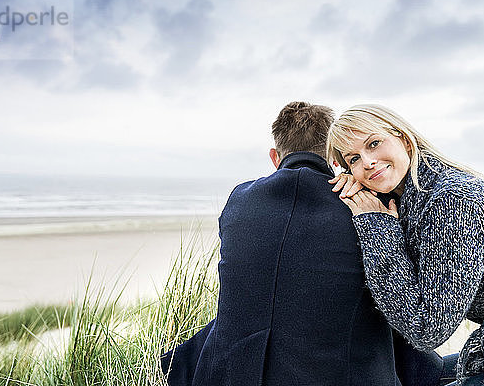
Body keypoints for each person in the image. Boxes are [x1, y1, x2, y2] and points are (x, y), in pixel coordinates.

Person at [161, 102, 456, 385]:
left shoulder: (239, 199)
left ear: (275, 157)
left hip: (231, 372)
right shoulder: (365, 205)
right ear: (334, 159)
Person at [326, 104, 484, 386]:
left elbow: (427, 329)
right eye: (354, 159)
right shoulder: (412, 196)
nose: (368, 162)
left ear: (404, 140)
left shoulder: (452, 201)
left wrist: (376, 226)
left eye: (374, 143)